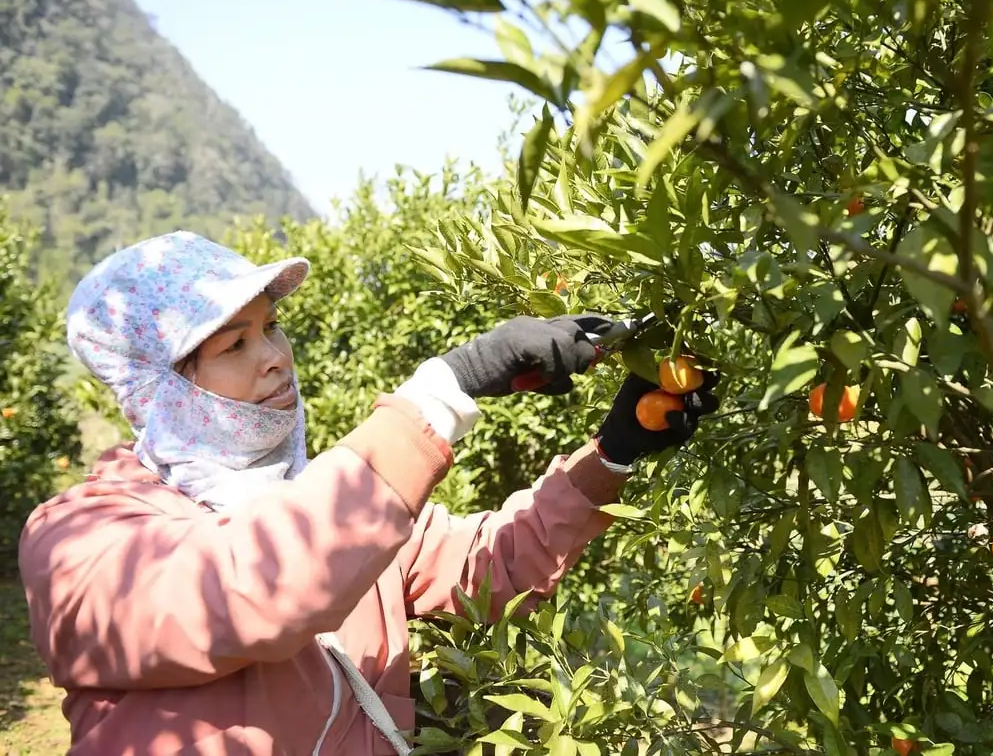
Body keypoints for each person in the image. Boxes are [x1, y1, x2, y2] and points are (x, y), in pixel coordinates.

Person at [18, 230, 719, 755]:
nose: (276, 358)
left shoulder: (321, 498)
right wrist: (442, 391)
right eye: (235, 345)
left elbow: (493, 564)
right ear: (160, 388)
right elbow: (255, 588)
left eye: (272, 327)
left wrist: (613, 453)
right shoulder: (80, 541)